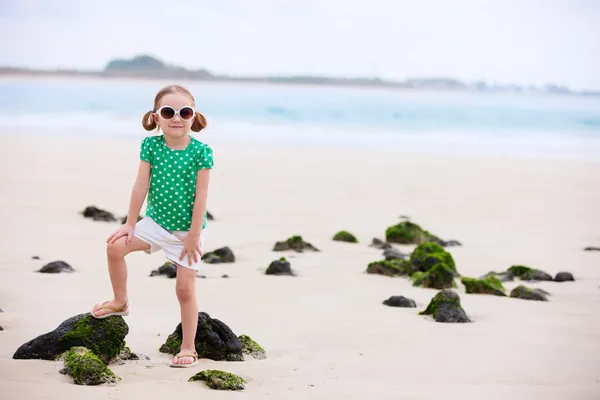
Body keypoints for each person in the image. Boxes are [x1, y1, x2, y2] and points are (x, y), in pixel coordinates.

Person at [90, 84, 214, 368]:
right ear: (156, 117)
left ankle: (188, 347)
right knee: (115, 247)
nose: (177, 118)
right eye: (168, 111)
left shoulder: (201, 152)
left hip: (187, 231)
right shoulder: (151, 146)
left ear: (193, 116)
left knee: (184, 290)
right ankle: (120, 301)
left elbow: (201, 196)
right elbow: (140, 186)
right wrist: (130, 224)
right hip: (155, 223)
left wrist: (194, 236)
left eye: (185, 112)